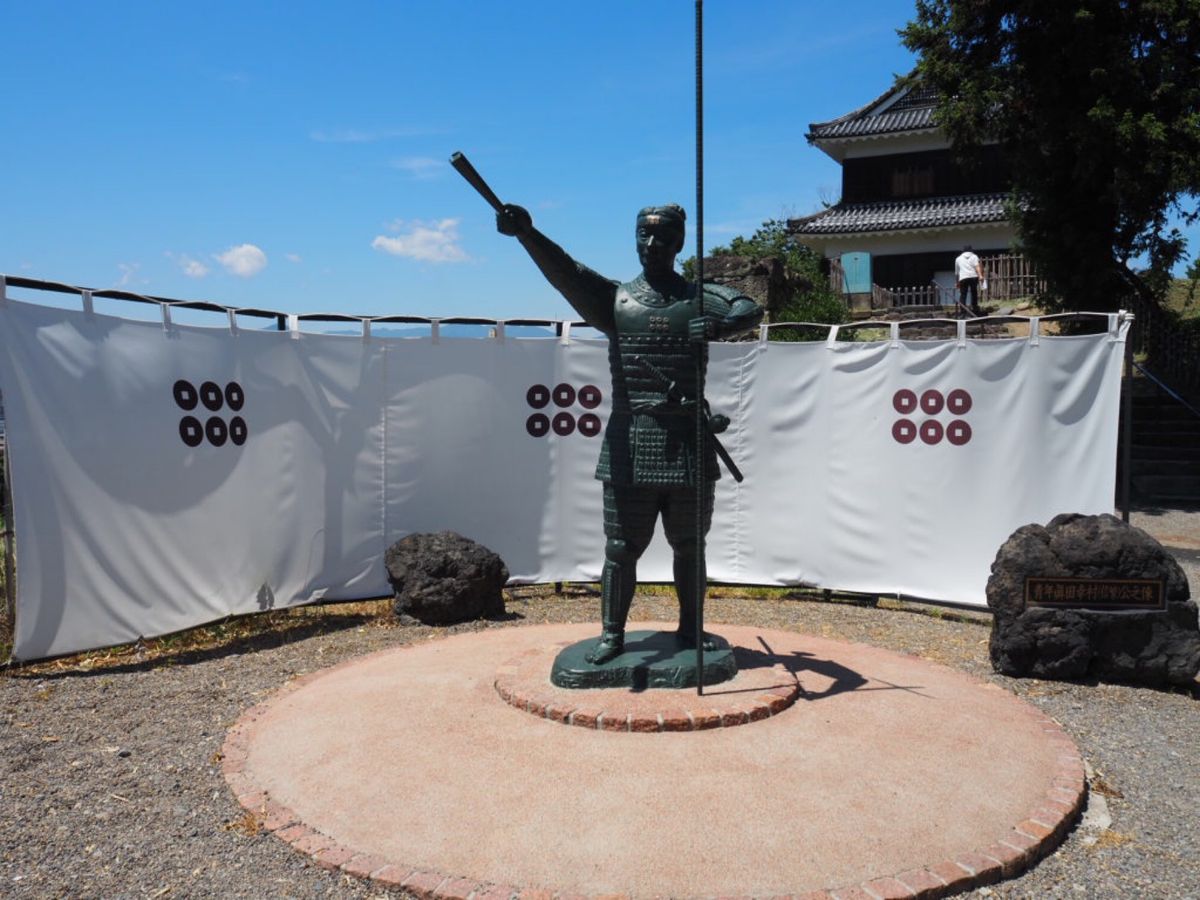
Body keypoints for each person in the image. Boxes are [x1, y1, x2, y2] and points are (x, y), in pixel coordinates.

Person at [496, 202, 763, 664]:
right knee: (620, 548)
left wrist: (720, 324)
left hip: (688, 442)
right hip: (630, 441)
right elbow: (566, 272)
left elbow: (749, 308)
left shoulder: (700, 298)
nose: (651, 244)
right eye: (643, 235)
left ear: (679, 243)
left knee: (690, 545)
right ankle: (612, 634)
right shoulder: (615, 301)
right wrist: (528, 235)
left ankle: (690, 628)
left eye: (662, 237)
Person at [954, 245, 986, 316]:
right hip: (973, 277)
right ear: (971, 250)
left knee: (963, 295)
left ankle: (963, 312)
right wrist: (980, 275)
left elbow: (957, 273)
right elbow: (977, 267)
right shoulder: (974, 256)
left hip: (963, 278)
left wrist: (957, 282)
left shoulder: (958, 259)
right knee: (974, 293)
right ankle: (975, 310)